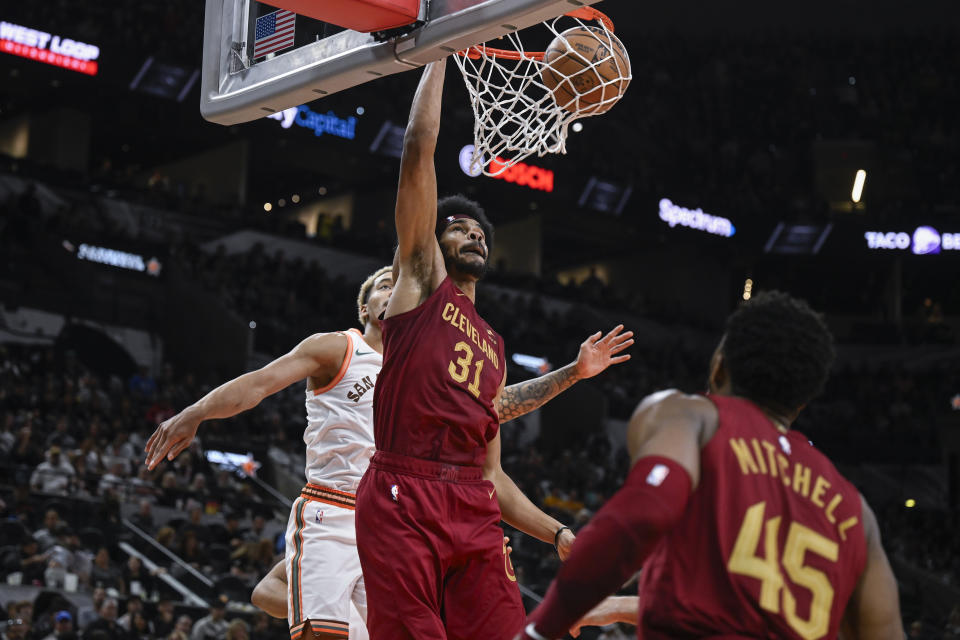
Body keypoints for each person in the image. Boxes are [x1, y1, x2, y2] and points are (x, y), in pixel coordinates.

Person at [147, 264, 628, 639]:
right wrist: (197, 412)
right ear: (366, 307)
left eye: (400, 283)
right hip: (337, 507)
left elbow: (495, 408)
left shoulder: (431, 369)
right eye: (383, 284)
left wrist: (573, 373)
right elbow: (259, 384)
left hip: (403, 521)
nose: (395, 288)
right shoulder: (338, 348)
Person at [354, 58, 634, 640]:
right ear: (435, 237)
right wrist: (440, 51)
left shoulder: (492, 341)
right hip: (405, 490)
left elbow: (493, 457)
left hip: (471, 501)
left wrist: (558, 532)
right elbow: (417, 147)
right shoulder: (421, 280)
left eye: (480, 231)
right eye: (459, 226)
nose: (474, 234)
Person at [518, 291, 904, 640]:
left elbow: (640, 515)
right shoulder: (857, 513)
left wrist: (539, 629)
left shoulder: (693, 416)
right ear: (801, 402)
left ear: (719, 367)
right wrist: (622, 606)